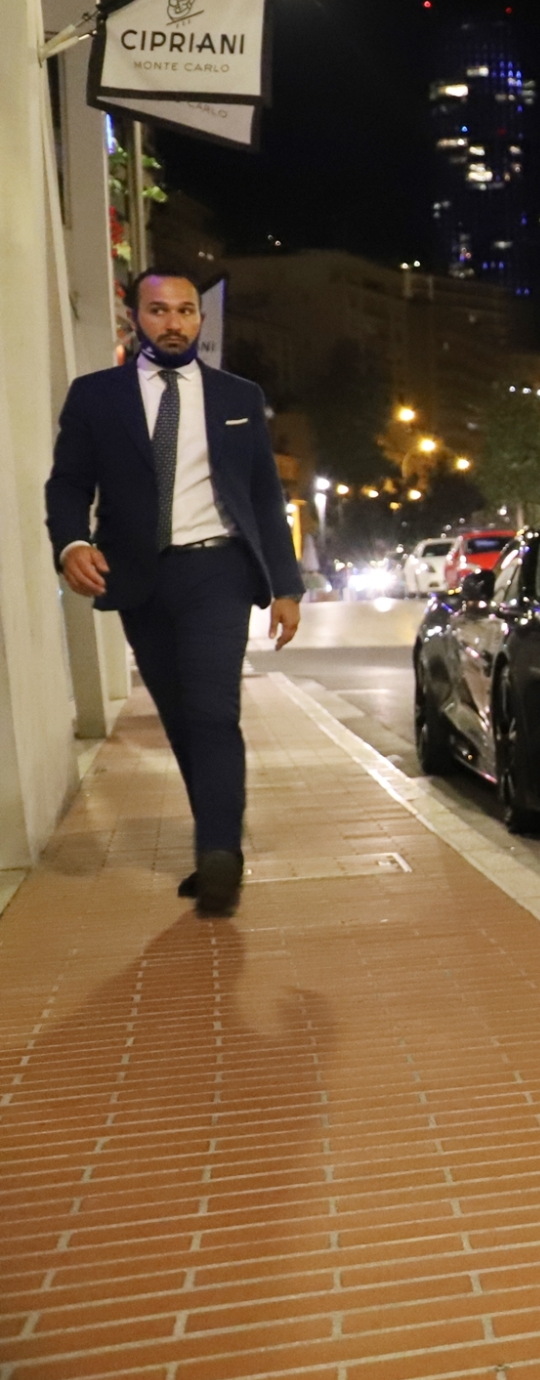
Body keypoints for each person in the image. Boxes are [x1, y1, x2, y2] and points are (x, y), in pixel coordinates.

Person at [45, 270, 302, 917]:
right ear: (134, 318)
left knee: (215, 710)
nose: (175, 322)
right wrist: (73, 544)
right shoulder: (95, 397)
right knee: (183, 718)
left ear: (200, 320)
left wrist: (286, 586)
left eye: (186, 310)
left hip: (218, 570)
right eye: (159, 310)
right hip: (139, 577)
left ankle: (220, 855)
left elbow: (267, 496)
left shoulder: (238, 395)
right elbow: (68, 483)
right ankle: (216, 839)